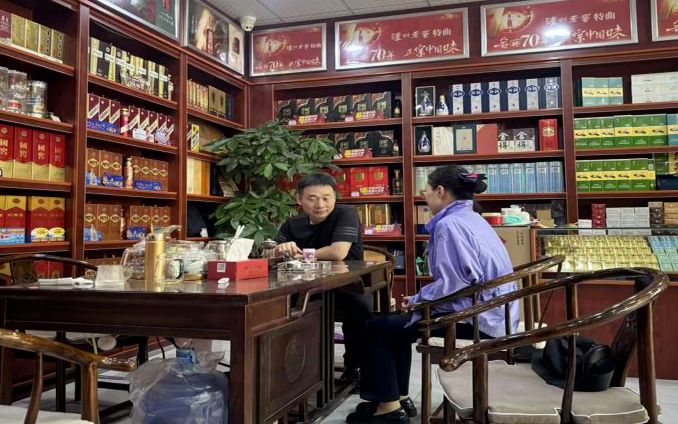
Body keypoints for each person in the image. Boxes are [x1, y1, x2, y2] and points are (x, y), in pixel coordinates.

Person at [346, 165, 519, 424]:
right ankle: (396, 399)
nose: (424, 196)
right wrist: (420, 300)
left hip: (476, 319)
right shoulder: (472, 218)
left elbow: (456, 283)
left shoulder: (449, 225)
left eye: (425, 191)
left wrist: (418, 300)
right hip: (494, 313)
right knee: (394, 326)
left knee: (376, 329)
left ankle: (388, 410)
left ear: (440, 191)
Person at [275, 172, 370, 381]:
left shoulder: (346, 213)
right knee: (276, 307)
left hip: (346, 285)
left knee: (360, 308)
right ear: (299, 199)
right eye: (312, 198)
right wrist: (280, 249)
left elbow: (338, 252)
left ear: (335, 198)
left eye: (326, 198)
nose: (320, 204)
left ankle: (354, 367)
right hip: (306, 287)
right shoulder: (292, 224)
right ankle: (294, 371)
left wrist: (301, 254)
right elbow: (271, 253)